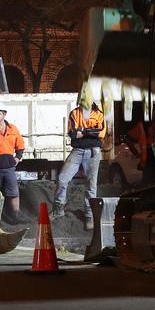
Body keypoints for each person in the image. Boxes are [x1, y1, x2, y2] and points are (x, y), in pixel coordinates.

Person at [52, 84, 106, 230]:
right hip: (78, 150)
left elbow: (100, 134)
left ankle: (89, 217)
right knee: (62, 179)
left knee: (91, 185)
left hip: (93, 151)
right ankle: (58, 208)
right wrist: (90, 131)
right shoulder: (74, 114)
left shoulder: (99, 114)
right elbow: (73, 134)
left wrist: (83, 131)